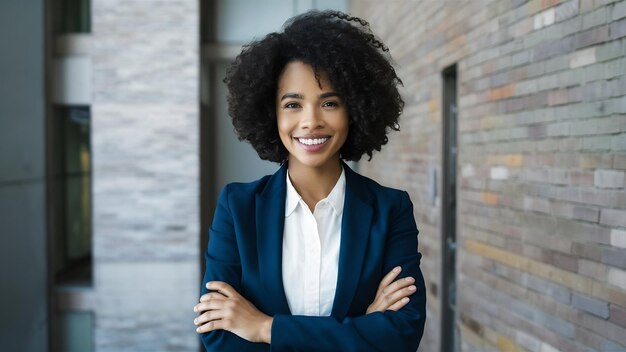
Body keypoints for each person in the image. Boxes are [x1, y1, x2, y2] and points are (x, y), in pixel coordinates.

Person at [193, 10, 426, 351]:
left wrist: (264, 328)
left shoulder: (390, 209)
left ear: (354, 110)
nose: (310, 121)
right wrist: (361, 328)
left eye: (329, 102)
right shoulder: (237, 208)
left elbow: (401, 334)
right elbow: (218, 335)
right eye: (293, 104)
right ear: (272, 113)